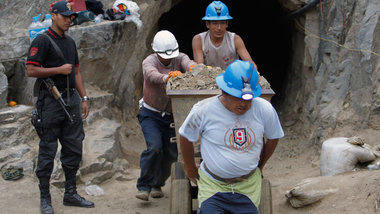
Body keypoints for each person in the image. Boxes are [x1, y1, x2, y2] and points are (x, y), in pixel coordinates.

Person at [179, 60, 284, 213]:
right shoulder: (203, 110)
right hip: (213, 186)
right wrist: (190, 168)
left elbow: (274, 137)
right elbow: (186, 137)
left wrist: (260, 166)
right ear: (224, 92)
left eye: (247, 99)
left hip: (247, 186)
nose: (243, 104)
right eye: (237, 97)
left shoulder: (264, 109)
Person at [26, 1, 94, 213]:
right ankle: (45, 199)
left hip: (71, 101)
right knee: (47, 151)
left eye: (70, 17)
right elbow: (30, 70)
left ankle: (70, 193)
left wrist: (84, 98)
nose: (68, 20)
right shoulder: (42, 40)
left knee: (74, 148)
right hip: (50, 102)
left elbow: (76, 72)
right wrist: (58, 69)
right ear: (53, 15)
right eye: (64, 16)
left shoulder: (70, 42)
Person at [136, 30, 197, 201]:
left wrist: (194, 68)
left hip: (173, 115)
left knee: (171, 154)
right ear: (156, 51)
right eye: (164, 56)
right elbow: (151, 75)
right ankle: (144, 186)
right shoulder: (149, 61)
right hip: (151, 113)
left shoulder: (180, 57)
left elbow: (188, 62)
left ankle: (157, 183)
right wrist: (167, 77)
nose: (168, 59)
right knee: (154, 147)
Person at [192, 1, 258, 71]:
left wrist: (253, 71)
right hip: (209, 79)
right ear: (207, 24)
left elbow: (249, 63)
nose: (219, 28)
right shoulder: (199, 40)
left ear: (227, 24)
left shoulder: (235, 39)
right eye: (215, 23)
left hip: (232, 78)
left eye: (222, 23)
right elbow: (200, 67)